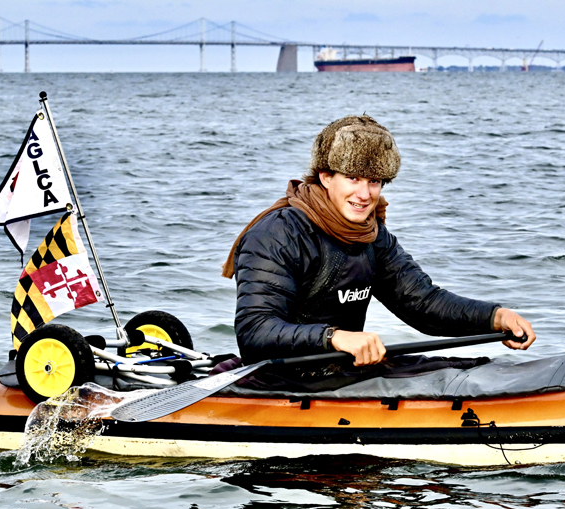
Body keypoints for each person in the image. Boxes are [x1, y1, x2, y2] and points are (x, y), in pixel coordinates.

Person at [221, 114, 535, 371]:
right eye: (353, 178)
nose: (364, 194)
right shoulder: (278, 233)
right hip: (277, 379)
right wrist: (334, 338)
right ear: (326, 176)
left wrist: (494, 317)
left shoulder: (372, 235)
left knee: (468, 368)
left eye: (374, 181)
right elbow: (255, 332)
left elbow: (423, 304)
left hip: (341, 372)